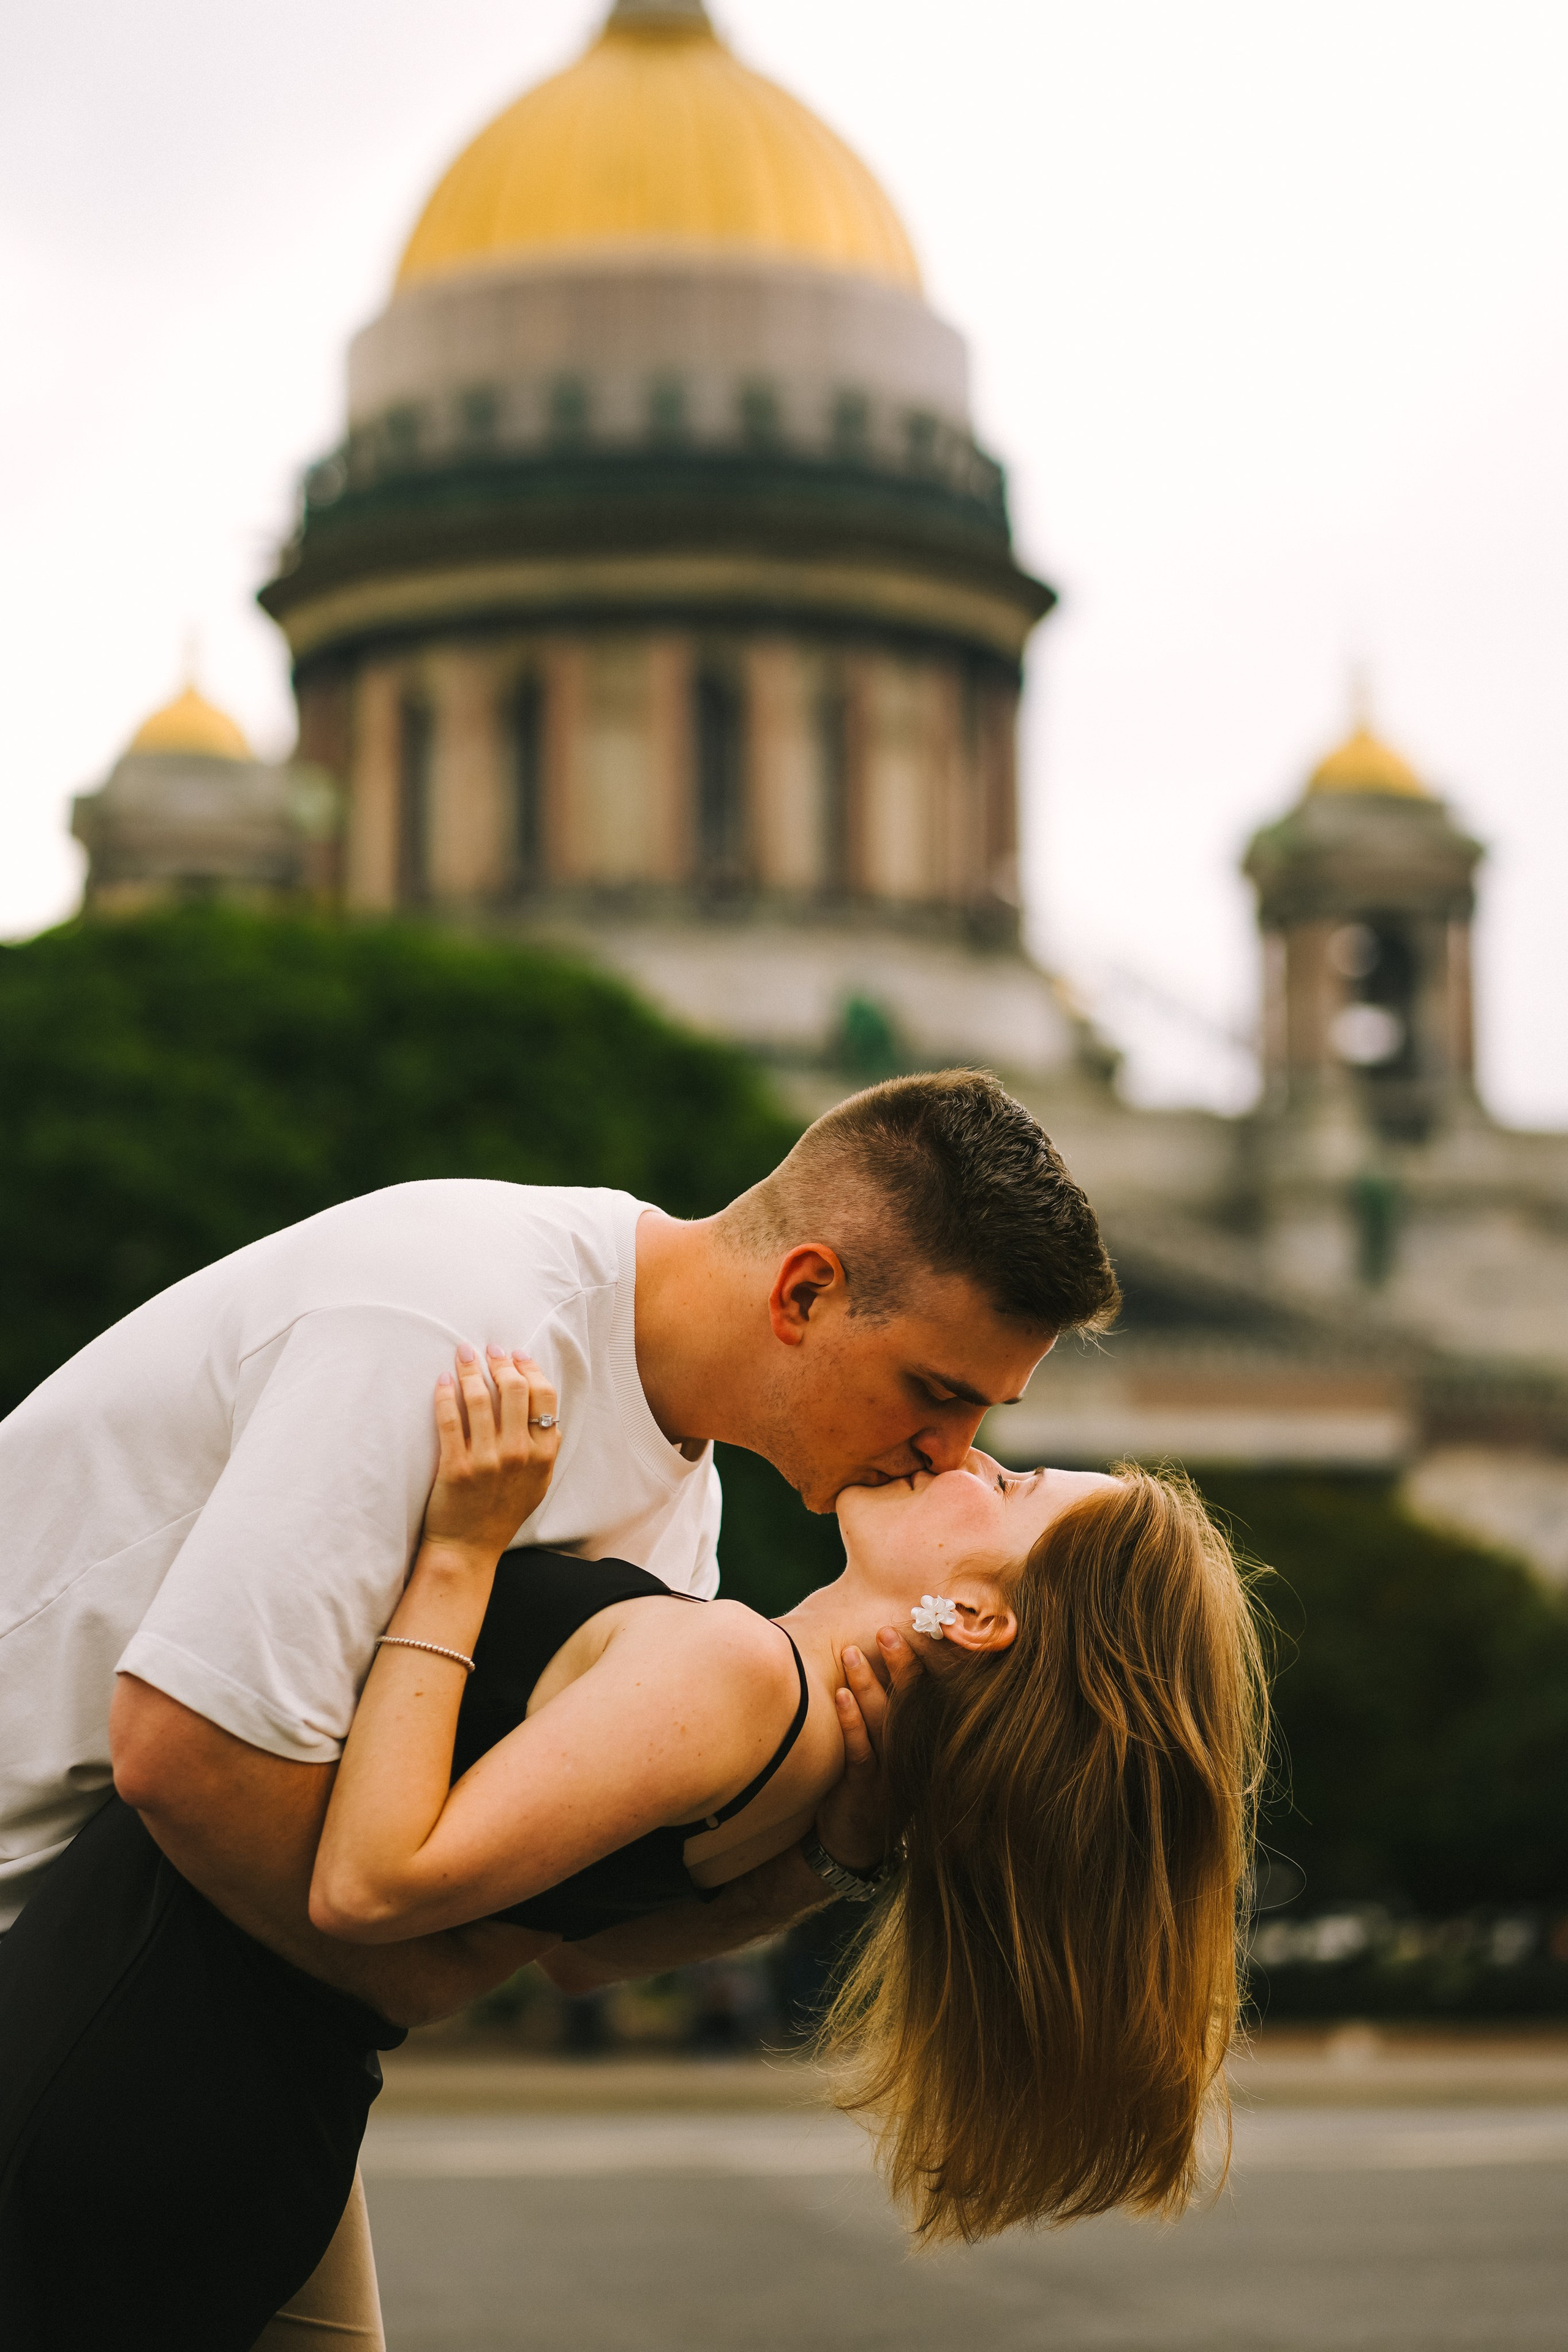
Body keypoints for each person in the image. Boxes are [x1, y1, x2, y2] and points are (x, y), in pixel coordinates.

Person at [0, 1071, 1120, 2347]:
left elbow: (569, 1920)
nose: (954, 1449)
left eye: (986, 1414)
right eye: (937, 1389)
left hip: (169, 2026)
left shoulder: (678, 1516)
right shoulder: (455, 1325)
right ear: (804, 1292)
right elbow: (186, 1758)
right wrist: (408, 1979)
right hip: (69, 1977)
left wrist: (831, 1856)